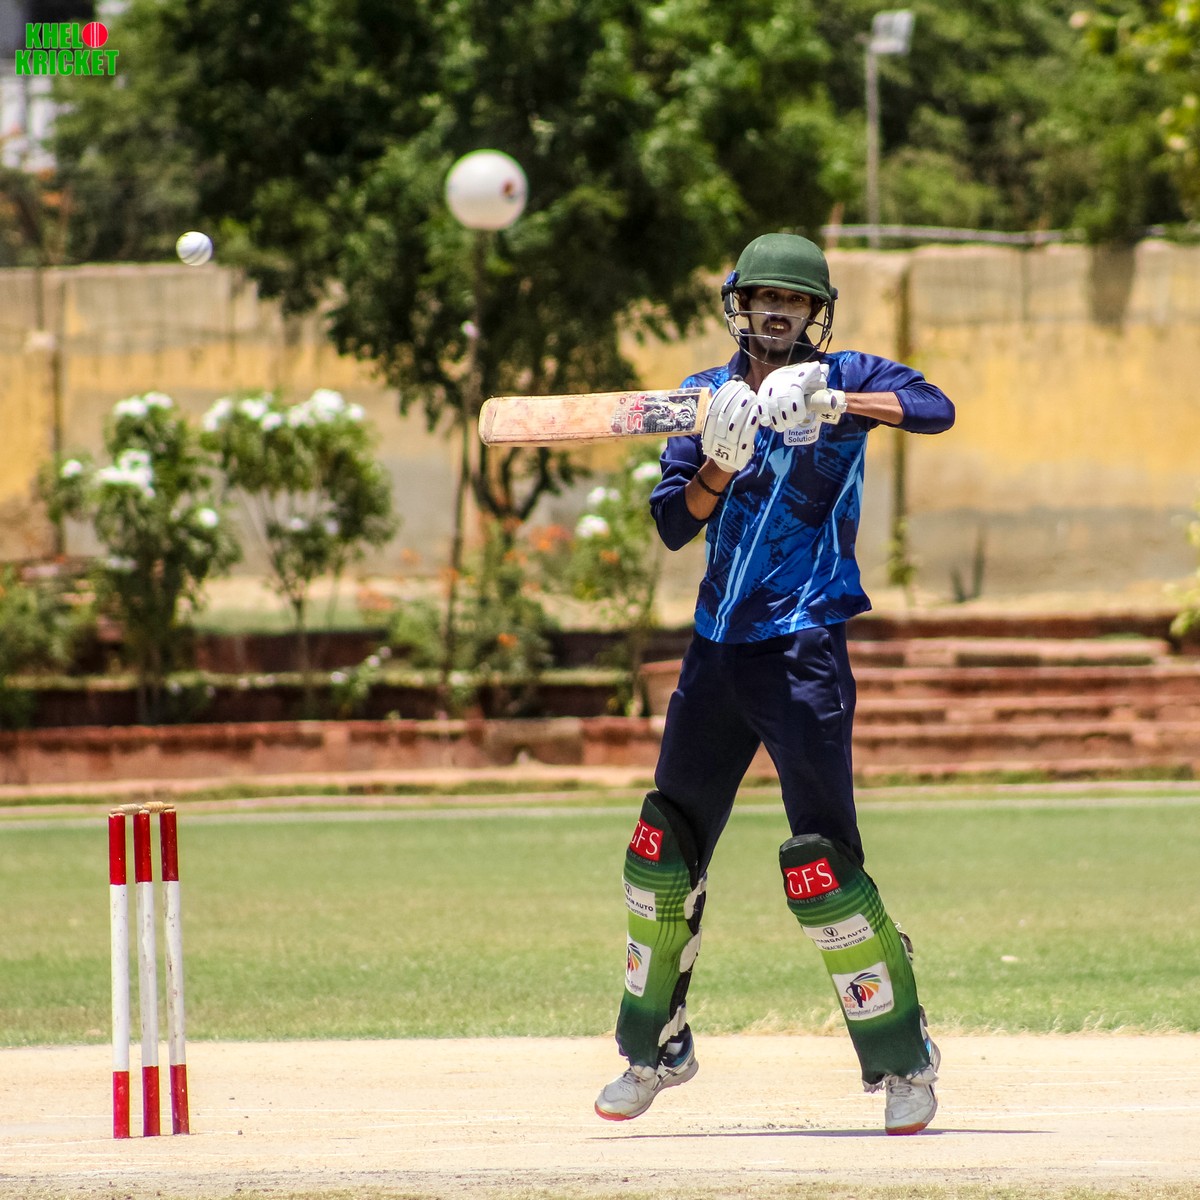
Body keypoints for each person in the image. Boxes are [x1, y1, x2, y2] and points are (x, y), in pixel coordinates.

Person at [593, 232, 955, 1135]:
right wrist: (719, 460)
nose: (779, 312)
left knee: (824, 865)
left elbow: (936, 408)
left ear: (815, 313)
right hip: (716, 650)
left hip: (803, 650)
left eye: (795, 301)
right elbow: (674, 524)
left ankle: (902, 1060)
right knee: (660, 852)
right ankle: (653, 1048)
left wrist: (837, 401)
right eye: (765, 298)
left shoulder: (849, 376)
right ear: (741, 305)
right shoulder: (703, 396)